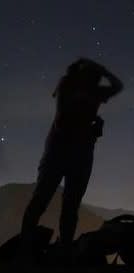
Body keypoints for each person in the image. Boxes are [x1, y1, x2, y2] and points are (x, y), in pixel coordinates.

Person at [21, 58, 123, 248]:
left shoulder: (79, 87)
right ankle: (44, 247)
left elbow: (117, 86)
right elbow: (62, 122)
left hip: (68, 152)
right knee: (53, 202)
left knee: (56, 202)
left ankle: (36, 247)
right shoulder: (72, 86)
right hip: (66, 152)